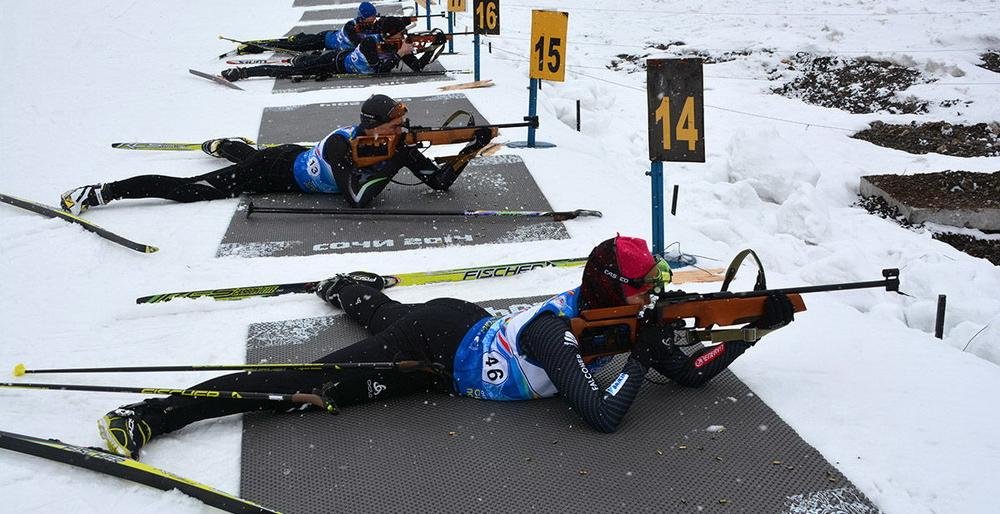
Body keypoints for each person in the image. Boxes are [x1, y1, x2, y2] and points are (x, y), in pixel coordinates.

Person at [97, 235, 796, 458]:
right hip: (438, 341)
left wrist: (747, 334)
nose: (654, 296)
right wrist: (642, 356)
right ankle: (152, 415)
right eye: (646, 287)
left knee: (380, 312)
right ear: (616, 286)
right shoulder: (558, 334)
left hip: (457, 345)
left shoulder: (611, 318)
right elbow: (603, 415)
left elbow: (691, 376)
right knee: (303, 386)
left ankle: (344, 286)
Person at [60, 95, 492, 213]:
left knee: (243, 154)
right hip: (275, 171)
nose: (402, 131)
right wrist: (397, 157)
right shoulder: (346, 145)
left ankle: (224, 145)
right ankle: (104, 192)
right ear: (373, 126)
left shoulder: (393, 142)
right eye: (395, 126)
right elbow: (357, 198)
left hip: (295, 153)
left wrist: (471, 148)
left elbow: (437, 182)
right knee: (193, 191)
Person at [221, 17, 442, 81]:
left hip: (339, 61)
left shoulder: (396, 44)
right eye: (399, 34)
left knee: (299, 64)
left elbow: (419, 67)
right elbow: (378, 70)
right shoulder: (368, 42)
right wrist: (399, 53)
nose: (402, 37)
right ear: (387, 34)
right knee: (290, 70)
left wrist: (431, 46)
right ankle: (244, 72)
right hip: (334, 60)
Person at [235, 2, 382, 55]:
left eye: (374, 18)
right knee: (293, 47)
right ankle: (253, 46)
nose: (373, 21)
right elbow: (360, 44)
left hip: (328, 38)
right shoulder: (352, 26)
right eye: (370, 19)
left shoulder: (371, 25)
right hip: (323, 41)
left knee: (299, 42)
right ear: (362, 17)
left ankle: (300, 37)